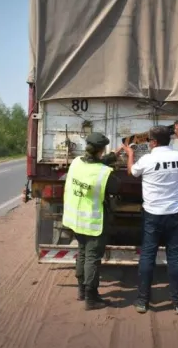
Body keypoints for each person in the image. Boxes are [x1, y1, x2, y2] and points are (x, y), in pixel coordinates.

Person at [123, 121, 178, 315]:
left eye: (149, 141)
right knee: (175, 257)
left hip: (153, 215)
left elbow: (131, 172)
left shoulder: (146, 160)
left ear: (153, 142)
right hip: (175, 214)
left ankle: (142, 301)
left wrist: (130, 154)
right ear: (168, 139)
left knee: (148, 256)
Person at [62, 132, 122, 310]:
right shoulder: (105, 173)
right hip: (93, 222)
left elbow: (93, 167)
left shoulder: (76, 163)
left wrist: (111, 157)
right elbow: (115, 185)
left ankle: (81, 291)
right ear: (102, 150)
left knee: (81, 253)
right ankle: (91, 298)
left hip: (75, 220)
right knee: (93, 258)